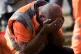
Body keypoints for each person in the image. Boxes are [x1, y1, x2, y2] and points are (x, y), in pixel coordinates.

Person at [4, 0, 73, 54]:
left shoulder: (51, 14)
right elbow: (26, 51)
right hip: (18, 51)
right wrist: (44, 32)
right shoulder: (20, 20)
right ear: (41, 16)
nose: (54, 24)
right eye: (52, 22)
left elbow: (59, 45)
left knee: (68, 52)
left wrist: (56, 29)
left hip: (39, 48)